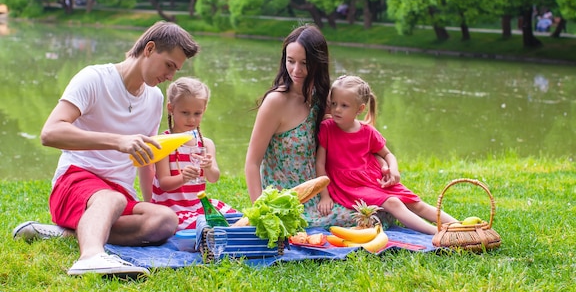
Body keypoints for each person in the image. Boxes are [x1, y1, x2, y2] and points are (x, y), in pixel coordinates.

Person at [12, 21, 199, 277]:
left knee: (165, 220)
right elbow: (50, 133)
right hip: (75, 181)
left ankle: (70, 233)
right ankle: (90, 257)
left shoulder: (154, 98)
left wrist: (148, 203)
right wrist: (117, 141)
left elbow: (146, 158)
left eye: (176, 70)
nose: (170, 77)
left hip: (119, 193)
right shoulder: (94, 78)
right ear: (150, 49)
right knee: (112, 198)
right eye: (169, 65)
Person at [245, 24, 371, 228]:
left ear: (318, 63)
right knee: (367, 217)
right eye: (290, 61)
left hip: (321, 197)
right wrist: (261, 213)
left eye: (304, 63)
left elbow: (352, 135)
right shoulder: (275, 102)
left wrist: (384, 162)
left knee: (374, 211)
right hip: (286, 202)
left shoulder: (322, 99)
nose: (296, 70)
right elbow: (252, 162)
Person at [315, 75, 457, 235]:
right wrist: (324, 196)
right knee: (393, 202)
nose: (337, 109)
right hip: (350, 185)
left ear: (360, 109)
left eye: (344, 105)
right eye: (333, 104)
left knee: (416, 203)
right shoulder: (327, 128)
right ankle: (438, 233)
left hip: (374, 179)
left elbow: (388, 154)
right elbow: (320, 164)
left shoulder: (368, 131)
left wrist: (393, 169)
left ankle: (461, 227)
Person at [151, 77, 237, 231]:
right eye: (185, 113)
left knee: (236, 219)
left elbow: (213, 177)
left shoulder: (205, 144)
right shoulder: (163, 143)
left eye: (197, 113)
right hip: (172, 209)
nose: (191, 119)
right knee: (205, 227)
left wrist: (209, 167)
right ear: (171, 108)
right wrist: (183, 177)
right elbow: (164, 184)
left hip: (197, 205)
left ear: (204, 110)